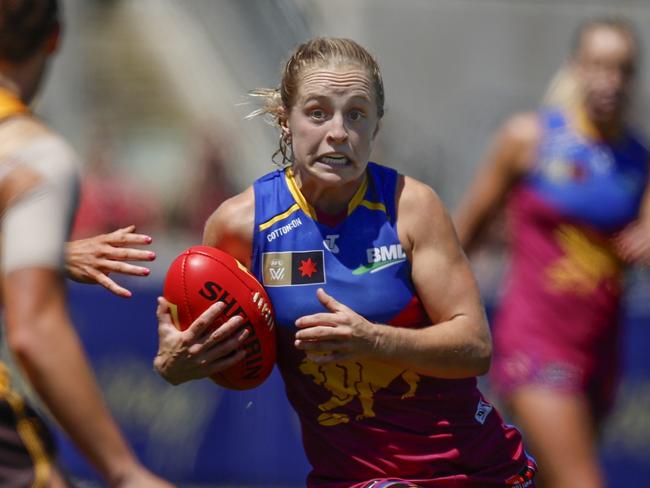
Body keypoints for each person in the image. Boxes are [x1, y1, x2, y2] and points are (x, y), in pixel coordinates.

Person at [154, 37, 536, 487]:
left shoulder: (411, 207)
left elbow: (475, 348)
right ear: (285, 121)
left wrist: (374, 340)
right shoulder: (241, 225)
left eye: (356, 114)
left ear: (375, 128)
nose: (338, 131)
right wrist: (181, 364)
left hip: (474, 468)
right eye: (317, 113)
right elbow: (236, 361)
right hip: (353, 478)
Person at [454, 17, 649, 488]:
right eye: (600, 66)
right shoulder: (530, 139)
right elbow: (462, 235)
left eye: (623, 69)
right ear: (576, 68)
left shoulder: (638, 158)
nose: (611, 81)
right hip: (536, 345)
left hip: (601, 351)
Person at [0, 1, 174, 486]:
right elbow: (33, 332)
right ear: (54, 38)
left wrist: (37, 258)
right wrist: (123, 471)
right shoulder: (32, 156)